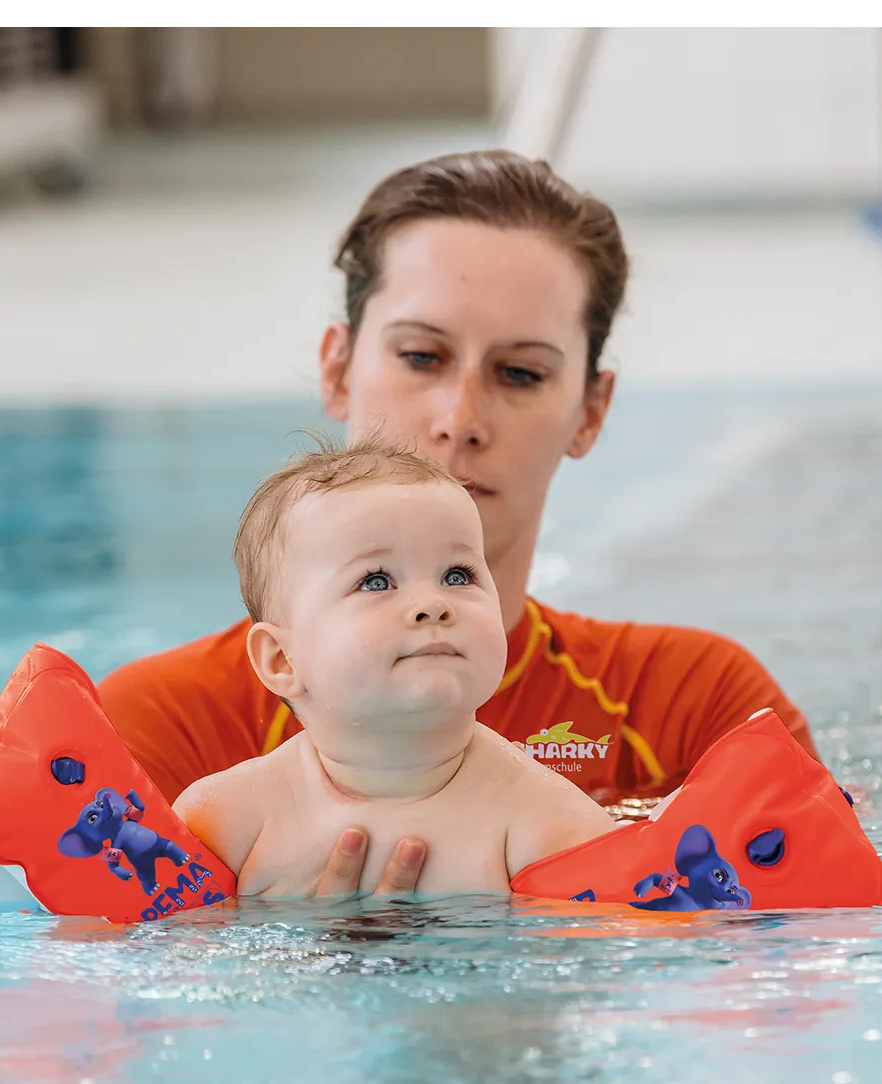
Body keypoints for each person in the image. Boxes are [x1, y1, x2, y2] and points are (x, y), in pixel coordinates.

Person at [99, 149, 817, 897]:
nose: (460, 419)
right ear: (338, 370)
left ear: (590, 410)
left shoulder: (689, 708)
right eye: (420, 356)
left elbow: (811, 950)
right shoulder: (167, 725)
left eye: (520, 373)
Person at [175, 439, 620, 896]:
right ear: (282, 660)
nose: (433, 604)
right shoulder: (227, 822)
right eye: (376, 581)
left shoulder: (549, 825)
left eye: (457, 575)